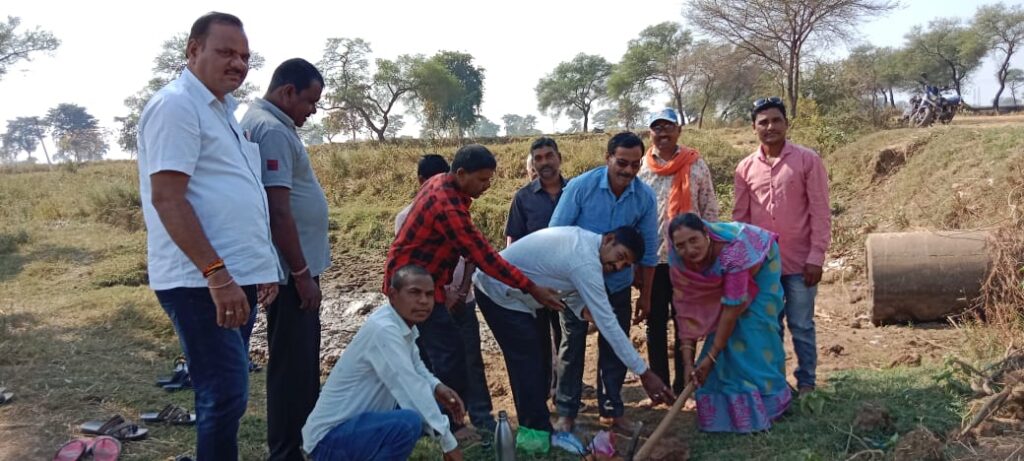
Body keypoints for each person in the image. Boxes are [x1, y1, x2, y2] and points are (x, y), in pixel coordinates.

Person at [136, 12, 279, 460]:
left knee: (229, 394)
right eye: (226, 52)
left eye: (245, 56)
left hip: (234, 279)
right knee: (225, 394)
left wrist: (262, 268)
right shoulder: (177, 106)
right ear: (193, 50)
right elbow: (168, 199)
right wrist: (218, 276)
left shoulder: (224, 113)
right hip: (202, 282)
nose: (238, 63)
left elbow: (234, 195)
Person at [383, 144, 564, 433]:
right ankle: (448, 426)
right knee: (448, 354)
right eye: (482, 179)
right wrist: (532, 288)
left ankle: (420, 423)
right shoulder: (446, 203)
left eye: (490, 179)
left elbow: (468, 251)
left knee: (424, 356)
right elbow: (483, 256)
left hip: (425, 284)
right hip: (412, 288)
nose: (487, 186)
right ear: (461, 173)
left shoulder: (444, 185)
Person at [474, 226, 674, 437]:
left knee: (537, 361)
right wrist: (644, 372)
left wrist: (582, 309)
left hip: (515, 296)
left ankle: (537, 429)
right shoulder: (585, 260)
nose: (617, 266)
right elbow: (609, 324)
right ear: (609, 239)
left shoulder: (586, 248)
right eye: (620, 257)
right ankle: (535, 434)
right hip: (495, 289)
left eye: (625, 265)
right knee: (527, 362)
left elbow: (565, 281)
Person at [239, 58, 329, 461]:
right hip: (293, 275)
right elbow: (279, 211)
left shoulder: (270, 124)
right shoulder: (272, 130)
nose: (312, 110)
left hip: (295, 271)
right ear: (287, 92)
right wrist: (301, 273)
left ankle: (300, 442)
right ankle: (288, 450)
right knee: (294, 367)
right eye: (310, 101)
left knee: (301, 362)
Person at [548, 132, 659, 432]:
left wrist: (645, 297)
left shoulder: (645, 197)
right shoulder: (580, 188)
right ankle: (567, 412)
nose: (628, 171)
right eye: (622, 163)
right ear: (608, 158)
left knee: (615, 343)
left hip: (618, 285)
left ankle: (612, 410)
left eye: (635, 165)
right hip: (577, 283)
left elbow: (648, 252)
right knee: (572, 346)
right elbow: (556, 235)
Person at [302, 265, 464, 461]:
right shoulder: (384, 330)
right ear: (393, 295)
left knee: (432, 408)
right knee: (408, 422)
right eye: (414, 293)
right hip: (328, 440)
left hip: (352, 427)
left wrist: (437, 387)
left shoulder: (401, 324)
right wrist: (448, 443)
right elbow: (410, 387)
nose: (423, 301)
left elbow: (415, 366)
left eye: (429, 295)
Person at [733, 97, 831, 396]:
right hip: (763, 267)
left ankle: (806, 383)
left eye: (776, 120)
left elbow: (820, 211)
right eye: (763, 122)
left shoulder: (807, 160)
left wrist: (816, 256)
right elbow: (741, 220)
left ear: (786, 124)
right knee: (768, 326)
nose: (770, 127)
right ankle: (774, 383)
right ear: (754, 128)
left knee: (801, 325)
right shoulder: (745, 168)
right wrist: (744, 265)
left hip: (801, 264)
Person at [394, 154, 495, 434]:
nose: (487, 185)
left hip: (459, 298)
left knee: (468, 360)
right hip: (431, 299)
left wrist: (460, 293)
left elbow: (471, 256)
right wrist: (441, 295)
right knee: (437, 360)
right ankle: (444, 422)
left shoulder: (460, 206)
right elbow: (413, 266)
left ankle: (476, 418)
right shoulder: (416, 213)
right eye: (483, 179)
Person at [667, 213, 791, 432]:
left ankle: (770, 403)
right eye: (681, 245)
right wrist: (688, 362)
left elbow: (731, 309)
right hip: (731, 274)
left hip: (761, 260)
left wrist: (709, 358)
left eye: (693, 240)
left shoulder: (734, 251)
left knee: (754, 328)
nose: (689, 250)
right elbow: (686, 310)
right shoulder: (678, 260)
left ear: (706, 234)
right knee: (726, 334)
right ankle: (727, 410)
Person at [637, 108, 719, 400]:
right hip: (654, 260)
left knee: (688, 321)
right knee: (655, 322)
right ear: (650, 133)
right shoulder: (642, 168)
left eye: (668, 127)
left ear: (679, 130)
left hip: (689, 259)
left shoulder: (696, 165)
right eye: (657, 128)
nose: (663, 133)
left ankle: (688, 386)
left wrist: (709, 253)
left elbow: (708, 208)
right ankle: (661, 389)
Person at [505, 137, 568, 401]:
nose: (544, 162)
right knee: (540, 340)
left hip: (570, 282)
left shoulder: (575, 191)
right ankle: (544, 393)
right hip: (537, 285)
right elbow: (513, 243)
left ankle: (565, 393)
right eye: (538, 158)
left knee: (568, 338)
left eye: (548, 156)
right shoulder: (523, 198)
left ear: (559, 158)